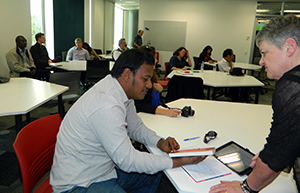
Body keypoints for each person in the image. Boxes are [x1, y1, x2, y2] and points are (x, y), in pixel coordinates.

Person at [50, 49, 205, 193]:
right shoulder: (107, 105)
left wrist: (159, 142)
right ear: (127, 74)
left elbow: (135, 127)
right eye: (145, 79)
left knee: (157, 176)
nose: (150, 85)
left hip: (102, 169)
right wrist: (178, 161)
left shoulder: (119, 91)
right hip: (78, 184)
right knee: (159, 170)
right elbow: (127, 160)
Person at [210, 15, 300, 193]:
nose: (260, 61)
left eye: (264, 52)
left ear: (289, 47)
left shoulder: (292, 87)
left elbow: (276, 154)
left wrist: (246, 187)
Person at [135, 46, 182, 117]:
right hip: (144, 116)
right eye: (155, 58)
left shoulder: (149, 75)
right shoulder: (139, 79)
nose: (157, 61)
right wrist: (165, 112)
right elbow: (140, 106)